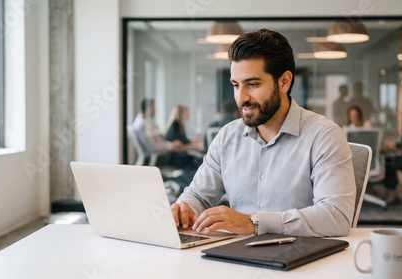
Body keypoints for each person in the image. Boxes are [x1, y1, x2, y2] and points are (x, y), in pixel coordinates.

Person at [171, 29, 355, 237]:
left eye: (253, 84)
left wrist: (253, 223)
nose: (241, 98)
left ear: (284, 82)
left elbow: (336, 216)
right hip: (236, 257)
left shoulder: (324, 136)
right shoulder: (227, 137)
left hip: (301, 261)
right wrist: (184, 207)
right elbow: (199, 195)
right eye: (236, 85)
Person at [132, 99, 184, 164]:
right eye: (154, 108)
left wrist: (171, 145)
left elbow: (155, 141)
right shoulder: (142, 125)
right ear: (148, 108)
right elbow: (151, 146)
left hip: (155, 157)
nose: (156, 110)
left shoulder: (145, 122)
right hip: (152, 159)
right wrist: (171, 146)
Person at [164, 104, 202, 169]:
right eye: (187, 113)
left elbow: (183, 140)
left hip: (178, 154)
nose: (188, 115)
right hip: (175, 156)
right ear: (181, 114)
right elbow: (180, 142)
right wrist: (192, 143)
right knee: (197, 161)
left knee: (197, 159)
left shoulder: (179, 125)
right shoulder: (175, 125)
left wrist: (192, 142)